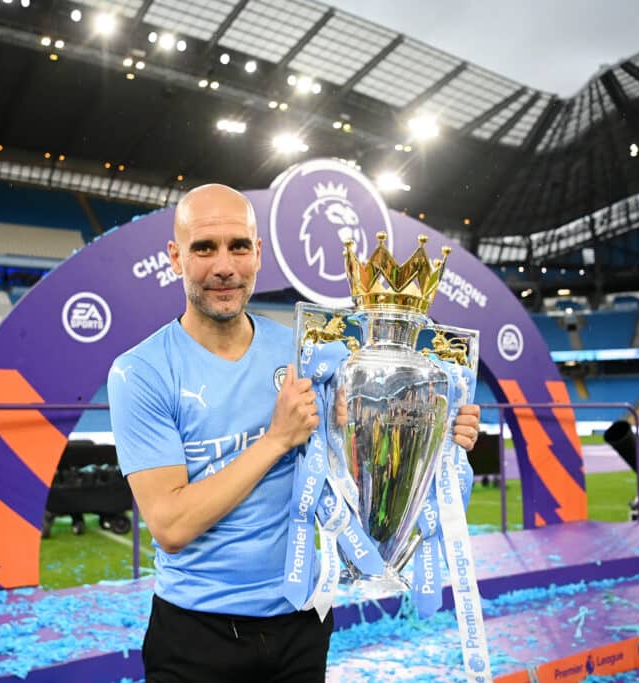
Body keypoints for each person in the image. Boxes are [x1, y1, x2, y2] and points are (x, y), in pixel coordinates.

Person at [107, 184, 482, 683]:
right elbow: (171, 527)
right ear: (176, 257)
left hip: (302, 625)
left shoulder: (306, 353)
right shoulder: (142, 371)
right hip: (196, 635)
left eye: (239, 246)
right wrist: (275, 440)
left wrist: (429, 438)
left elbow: (351, 481)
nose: (224, 266)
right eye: (204, 248)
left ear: (258, 253)